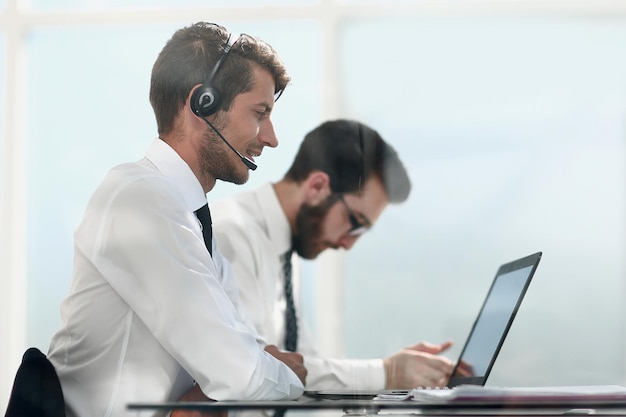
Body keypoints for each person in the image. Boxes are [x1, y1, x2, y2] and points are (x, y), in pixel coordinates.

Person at [47, 22, 306, 417]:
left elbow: (242, 353)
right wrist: (284, 375)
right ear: (201, 104)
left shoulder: (190, 214)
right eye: (260, 113)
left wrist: (237, 376)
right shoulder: (140, 199)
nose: (270, 138)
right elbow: (244, 375)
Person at [210, 119, 455, 392]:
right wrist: (388, 373)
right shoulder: (232, 234)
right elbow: (257, 368)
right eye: (355, 222)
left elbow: (302, 364)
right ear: (316, 187)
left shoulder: (287, 248)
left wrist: (402, 370)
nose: (349, 244)